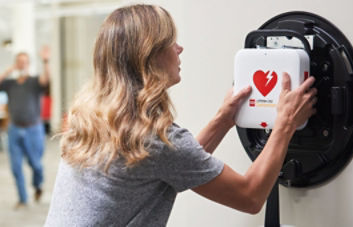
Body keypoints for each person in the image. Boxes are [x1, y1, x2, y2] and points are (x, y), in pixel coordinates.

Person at [45, 4, 317, 226]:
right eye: (170, 42)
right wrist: (285, 124)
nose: (179, 48)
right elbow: (250, 197)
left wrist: (223, 118)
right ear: (149, 56)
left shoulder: (94, 118)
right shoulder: (151, 138)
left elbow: (175, 163)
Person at [0, 47, 50, 208]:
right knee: (15, 167)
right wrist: (10, 69)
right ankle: (22, 199)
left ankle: (37, 186)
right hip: (14, 129)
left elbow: (46, 80)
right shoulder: (10, 83)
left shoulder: (34, 81)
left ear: (29, 64)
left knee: (36, 164)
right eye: (19, 62)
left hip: (33, 129)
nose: (22, 64)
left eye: (24, 62)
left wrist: (45, 62)